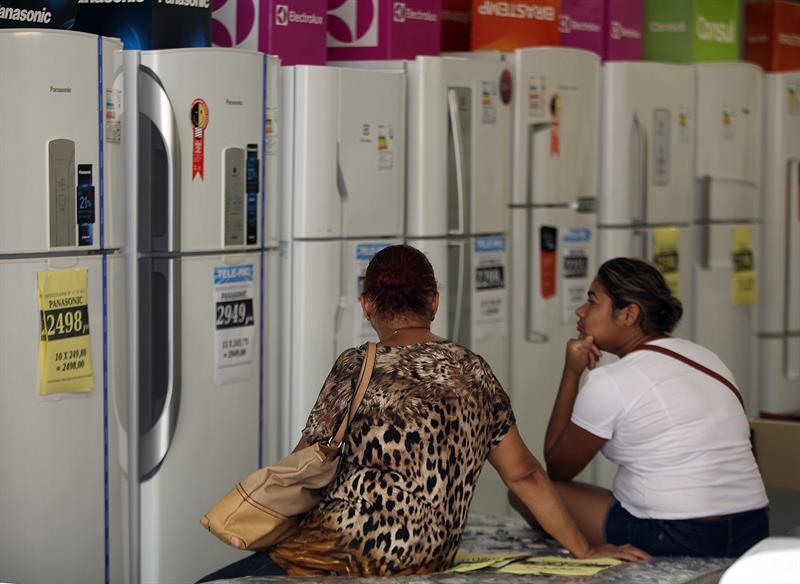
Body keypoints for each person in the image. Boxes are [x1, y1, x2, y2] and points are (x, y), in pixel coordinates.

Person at [199, 245, 648, 581]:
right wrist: (583, 549)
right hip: (425, 560)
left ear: (367, 307)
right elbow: (525, 475)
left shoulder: (356, 365)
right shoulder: (474, 370)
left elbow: (307, 462)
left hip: (337, 557)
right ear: (434, 301)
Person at [511, 257, 769, 557]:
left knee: (525, 492)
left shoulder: (613, 380)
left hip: (680, 534)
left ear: (629, 314)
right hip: (753, 527)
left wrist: (571, 373)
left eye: (592, 301)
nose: (580, 311)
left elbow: (557, 467)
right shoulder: (708, 358)